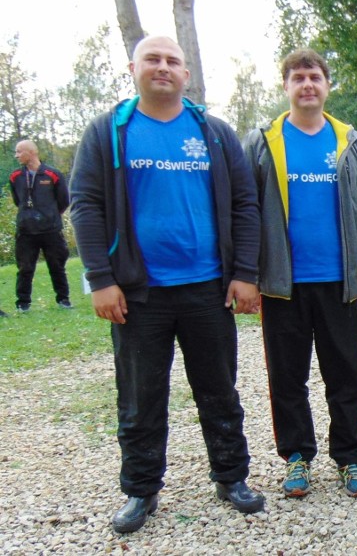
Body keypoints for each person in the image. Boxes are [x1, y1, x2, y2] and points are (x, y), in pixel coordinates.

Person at [70, 35, 265, 534]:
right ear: (132, 67)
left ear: (186, 74)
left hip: (208, 289)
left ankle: (231, 476)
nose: (163, 68)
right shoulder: (108, 133)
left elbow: (245, 206)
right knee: (139, 398)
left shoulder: (214, 134)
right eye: (152, 59)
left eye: (172, 61)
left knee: (219, 391)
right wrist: (100, 279)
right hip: (138, 294)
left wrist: (244, 273)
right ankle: (140, 489)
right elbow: (86, 206)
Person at [243, 49, 357, 499]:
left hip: (338, 281)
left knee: (345, 374)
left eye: (315, 77)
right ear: (285, 86)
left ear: (327, 85)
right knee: (287, 376)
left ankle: (350, 458)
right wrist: (245, 274)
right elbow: (245, 213)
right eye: (298, 78)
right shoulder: (264, 141)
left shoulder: (350, 142)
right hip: (282, 284)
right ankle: (297, 457)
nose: (307, 85)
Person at [9, 139, 72, 312]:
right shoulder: (15, 176)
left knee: (56, 265)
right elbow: (17, 201)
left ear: (31, 152)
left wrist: (49, 215)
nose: (16, 155)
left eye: (19, 151)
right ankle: (23, 303)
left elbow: (63, 201)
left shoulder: (53, 174)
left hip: (50, 229)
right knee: (25, 268)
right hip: (26, 230)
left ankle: (63, 299)